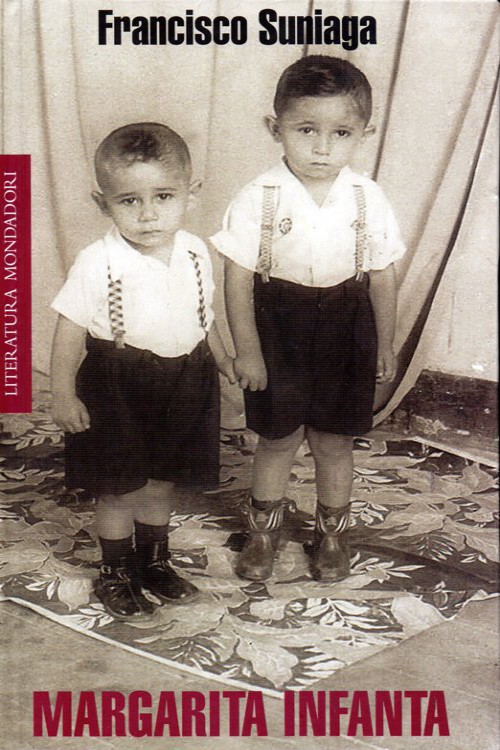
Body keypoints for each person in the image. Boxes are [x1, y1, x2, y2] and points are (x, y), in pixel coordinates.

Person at [210, 56, 406, 583]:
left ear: (365, 133)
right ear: (275, 128)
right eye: (306, 130)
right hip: (279, 323)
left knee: (333, 441)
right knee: (277, 438)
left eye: (341, 133)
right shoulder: (258, 197)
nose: (322, 148)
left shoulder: (368, 197)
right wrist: (248, 350)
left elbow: (382, 275)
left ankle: (331, 535)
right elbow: (237, 279)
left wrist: (385, 343)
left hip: (348, 322)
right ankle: (263, 531)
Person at [51, 122, 235, 621]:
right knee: (120, 486)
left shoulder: (196, 250)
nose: (149, 214)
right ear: (102, 202)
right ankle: (115, 571)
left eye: (164, 197)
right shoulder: (98, 262)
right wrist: (63, 393)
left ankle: (153, 562)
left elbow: (205, 315)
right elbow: (68, 330)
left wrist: (223, 360)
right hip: (118, 383)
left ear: (191, 194)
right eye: (129, 200)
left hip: (186, 380)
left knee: (161, 480)